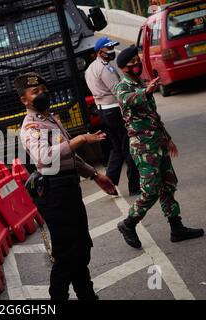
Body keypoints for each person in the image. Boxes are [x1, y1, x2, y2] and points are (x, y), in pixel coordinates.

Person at [17, 72, 116, 300]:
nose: (42, 94)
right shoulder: (31, 127)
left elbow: (68, 156)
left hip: (69, 188)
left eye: (43, 89)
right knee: (66, 253)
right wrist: (79, 140)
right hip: (55, 193)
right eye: (35, 92)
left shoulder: (50, 118)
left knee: (81, 248)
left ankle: (87, 295)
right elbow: (44, 157)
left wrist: (94, 174)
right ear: (24, 100)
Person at [115, 46, 204, 249]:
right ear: (124, 67)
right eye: (133, 63)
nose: (137, 64)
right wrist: (146, 91)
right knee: (151, 190)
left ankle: (176, 227)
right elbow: (129, 100)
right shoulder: (123, 87)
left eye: (138, 61)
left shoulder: (139, 83)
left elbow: (153, 117)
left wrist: (167, 138)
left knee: (168, 184)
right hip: (144, 147)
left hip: (158, 143)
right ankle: (128, 223)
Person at [86, 37, 140, 196]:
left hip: (103, 111)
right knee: (128, 147)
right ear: (99, 52)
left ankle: (109, 182)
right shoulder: (105, 69)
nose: (111, 51)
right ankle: (135, 187)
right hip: (114, 111)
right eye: (108, 49)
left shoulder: (90, 68)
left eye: (112, 48)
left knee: (117, 148)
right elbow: (118, 91)